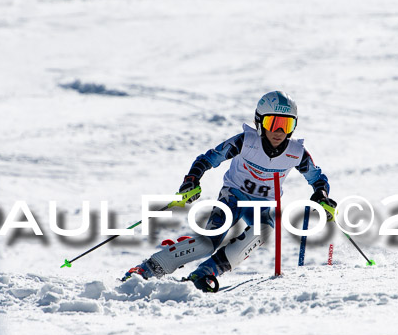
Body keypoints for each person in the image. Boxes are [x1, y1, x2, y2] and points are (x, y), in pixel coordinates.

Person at [124, 91, 337, 292]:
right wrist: (192, 180)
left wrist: (322, 196)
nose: (279, 131)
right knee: (207, 243)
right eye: (274, 122)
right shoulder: (246, 142)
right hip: (233, 197)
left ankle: (205, 274)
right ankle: (147, 269)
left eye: (287, 124)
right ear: (259, 121)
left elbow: (318, 179)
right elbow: (208, 158)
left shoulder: (296, 152)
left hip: (263, 205)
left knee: (263, 232)